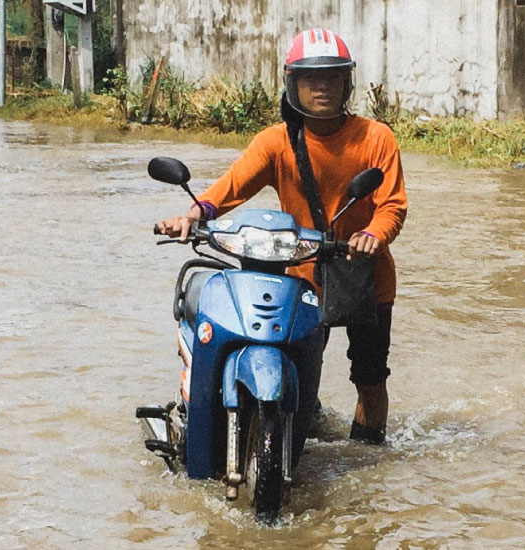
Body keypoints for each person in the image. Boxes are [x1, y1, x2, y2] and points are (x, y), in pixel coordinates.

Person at [157, 28, 408, 444]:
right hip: (303, 276)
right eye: (312, 79)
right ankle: (293, 429)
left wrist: (372, 235)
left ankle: (369, 457)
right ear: (294, 84)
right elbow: (231, 185)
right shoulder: (276, 142)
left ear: (347, 82)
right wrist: (194, 213)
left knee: (369, 377)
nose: (322, 87)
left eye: (332, 77)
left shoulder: (376, 137)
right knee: (296, 364)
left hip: (365, 274)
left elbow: (392, 205)